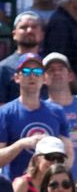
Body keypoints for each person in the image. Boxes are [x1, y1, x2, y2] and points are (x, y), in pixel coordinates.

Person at [0, 53, 72, 181]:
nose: (32, 75)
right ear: (17, 77)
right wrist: (21, 144)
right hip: (15, 189)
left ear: (44, 78)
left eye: (38, 71)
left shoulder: (57, 112)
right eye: (26, 71)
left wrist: (55, 176)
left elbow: (69, 155)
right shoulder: (5, 113)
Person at [43, 52, 77, 181]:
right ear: (44, 78)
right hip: (59, 183)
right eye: (51, 70)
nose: (56, 73)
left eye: (61, 69)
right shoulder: (41, 110)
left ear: (70, 76)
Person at [0, 11, 44, 104]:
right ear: (14, 34)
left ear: (42, 34)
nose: (29, 30)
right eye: (23, 27)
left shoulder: (49, 65)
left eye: (34, 27)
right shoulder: (4, 68)